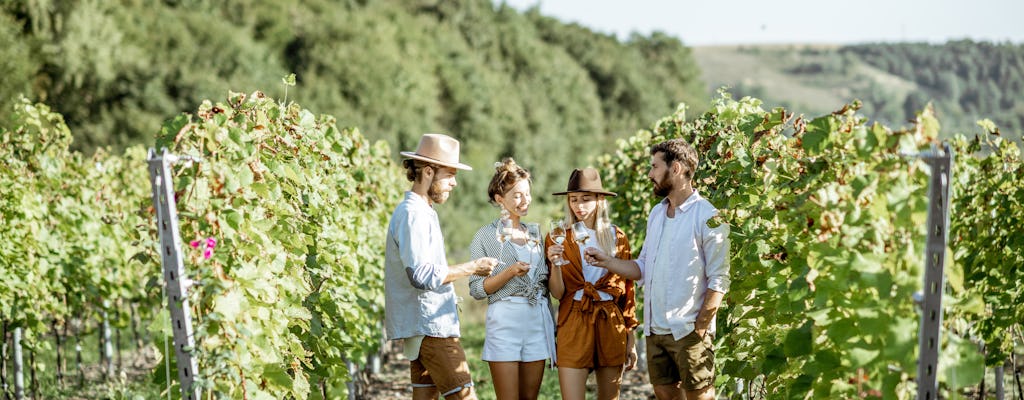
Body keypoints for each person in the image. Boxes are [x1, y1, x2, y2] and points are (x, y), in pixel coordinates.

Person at [585, 139, 730, 400]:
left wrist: (700, 329)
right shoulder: (656, 214)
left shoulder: (707, 216)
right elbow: (642, 267)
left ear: (675, 169)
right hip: (655, 331)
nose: (650, 174)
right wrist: (606, 261)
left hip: (688, 331)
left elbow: (719, 280)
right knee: (665, 395)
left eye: (655, 166)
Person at [384, 133, 498, 400]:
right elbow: (421, 276)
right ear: (427, 172)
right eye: (449, 175)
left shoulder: (422, 211)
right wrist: (473, 267)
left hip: (423, 326)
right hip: (431, 328)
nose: (454, 183)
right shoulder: (414, 215)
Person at [544, 167, 641, 400]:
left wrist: (631, 337)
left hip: (610, 320)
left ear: (600, 200)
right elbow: (558, 293)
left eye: (586, 199)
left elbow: (627, 291)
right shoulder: (559, 237)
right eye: (574, 199)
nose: (579, 205)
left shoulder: (617, 236)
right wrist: (555, 263)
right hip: (573, 319)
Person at [467, 158, 555, 400]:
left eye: (527, 194)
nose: (525, 200)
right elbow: (476, 290)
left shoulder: (536, 234)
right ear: (499, 199)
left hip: (536, 320)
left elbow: (547, 284)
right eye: (517, 195)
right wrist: (509, 272)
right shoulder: (485, 236)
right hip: (505, 322)